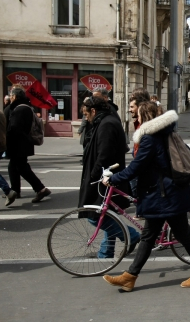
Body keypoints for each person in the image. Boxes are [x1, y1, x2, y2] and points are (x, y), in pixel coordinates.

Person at [101, 103, 190, 291]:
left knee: (179, 235)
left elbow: (136, 167)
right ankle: (130, 276)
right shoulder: (168, 133)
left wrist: (114, 179)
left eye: (140, 116)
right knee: (149, 236)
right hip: (167, 194)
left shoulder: (150, 139)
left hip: (164, 196)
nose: (138, 119)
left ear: (146, 116)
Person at [78, 96, 140, 258]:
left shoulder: (107, 124)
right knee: (107, 213)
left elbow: (104, 154)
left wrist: (93, 175)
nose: (85, 117)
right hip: (108, 175)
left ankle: (131, 235)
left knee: (94, 215)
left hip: (105, 177)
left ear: (94, 111)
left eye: (86, 114)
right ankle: (106, 252)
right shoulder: (106, 120)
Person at [6, 88, 50, 203]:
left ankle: (40, 188)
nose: (10, 98)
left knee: (22, 168)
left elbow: (15, 128)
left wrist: (7, 136)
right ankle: (15, 190)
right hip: (23, 143)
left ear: (15, 97)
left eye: (11, 96)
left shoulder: (20, 109)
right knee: (14, 166)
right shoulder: (27, 107)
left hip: (19, 144)